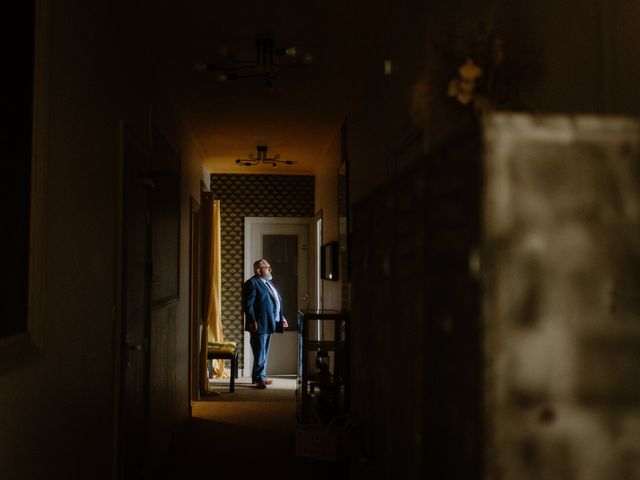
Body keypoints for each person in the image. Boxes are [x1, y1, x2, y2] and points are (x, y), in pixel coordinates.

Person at [242, 258, 288, 389]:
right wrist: (252, 321)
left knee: (263, 351)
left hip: (269, 322)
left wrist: (281, 316)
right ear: (258, 270)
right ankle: (260, 379)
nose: (270, 269)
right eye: (267, 267)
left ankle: (259, 376)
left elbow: (273, 302)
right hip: (259, 323)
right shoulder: (251, 283)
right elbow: (248, 305)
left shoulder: (267, 282)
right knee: (260, 351)